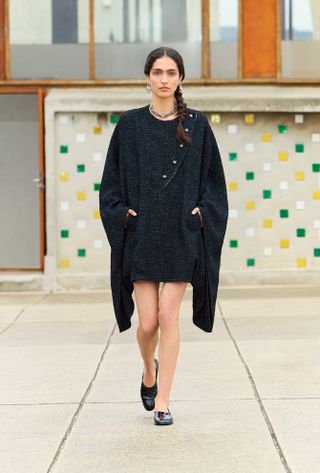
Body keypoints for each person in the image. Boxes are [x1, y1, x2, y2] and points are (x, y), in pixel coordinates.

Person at [99, 46, 229, 426]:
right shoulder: (130, 125)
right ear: (147, 77)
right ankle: (148, 371)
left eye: (171, 72)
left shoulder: (198, 126)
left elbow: (215, 184)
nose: (164, 79)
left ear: (181, 78)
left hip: (180, 234)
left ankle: (164, 401)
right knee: (148, 323)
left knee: (170, 317)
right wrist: (122, 215)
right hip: (142, 234)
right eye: (157, 72)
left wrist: (202, 214)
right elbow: (110, 185)